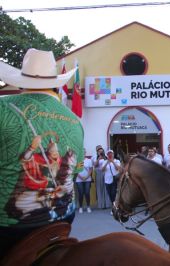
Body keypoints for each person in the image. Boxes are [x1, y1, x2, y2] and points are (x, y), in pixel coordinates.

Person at [0, 48, 84, 260]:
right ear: (56, 84)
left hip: (11, 227)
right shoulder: (74, 121)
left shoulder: (3, 108)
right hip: (63, 219)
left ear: (20, 82)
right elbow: (75, 173)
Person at [92, 145, 111, 209]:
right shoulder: (95, 157)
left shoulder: (105, 155)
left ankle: (107, 204)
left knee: (106, 188)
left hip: (106, 173)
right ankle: (101, 205)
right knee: (100, 188)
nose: (100, 150)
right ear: (96, 151)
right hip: (99, 173)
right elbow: (95, 165)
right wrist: (98, 159)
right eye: (98, 149)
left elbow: (109, 162)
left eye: (101, 149)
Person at [75, 149, 93, 213]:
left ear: (85, 153)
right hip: (79, 180)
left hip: (87, 179)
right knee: (81, 193)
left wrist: (86, 177)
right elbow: (76, 171)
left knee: (87, 193)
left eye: (84, 152)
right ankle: (80, 207)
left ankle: (88, 206)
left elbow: (91, 169)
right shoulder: (77, 160)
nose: (83, 153)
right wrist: (81, 177)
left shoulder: (89, 160)